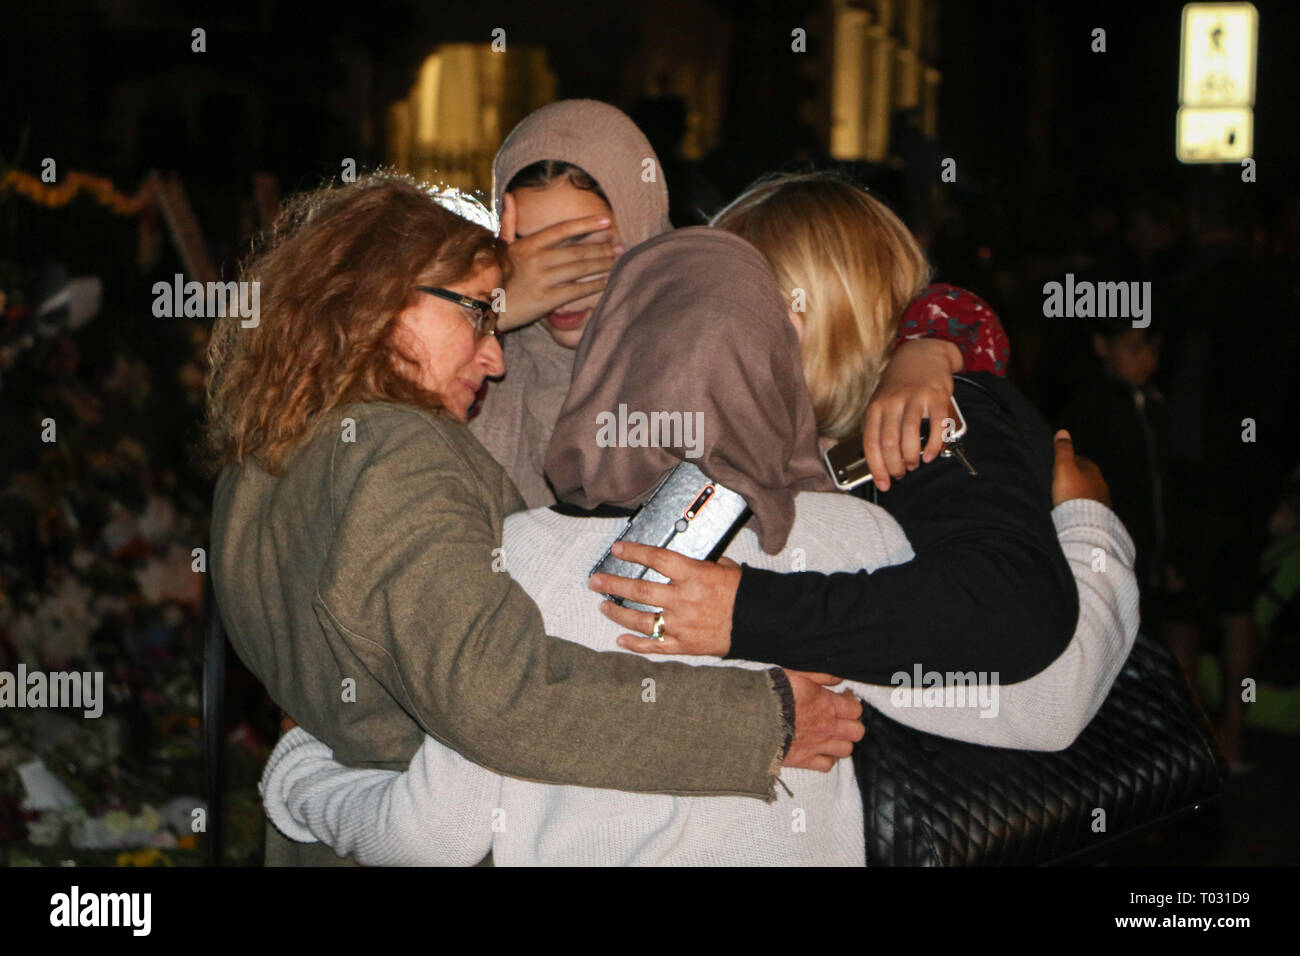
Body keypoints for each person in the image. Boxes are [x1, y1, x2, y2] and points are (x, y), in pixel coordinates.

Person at [258, 228, 1138, 864]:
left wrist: (298, 771)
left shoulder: (514, 557)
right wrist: (1088, 524)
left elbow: (432, 834)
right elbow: (1051, 702)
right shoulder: (846, 539)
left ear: (604, 363)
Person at [205, 174, 862, 866]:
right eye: (477, 315)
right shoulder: (398, 452)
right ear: (380, 301)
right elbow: (501, 696)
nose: (494, 357)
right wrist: (761, 721)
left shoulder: (253, 473)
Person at [598, 172, 1133, 717]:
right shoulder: (808, 429)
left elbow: (1009, 605)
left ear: (826, 308)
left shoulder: (926, 411)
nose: (715, 330)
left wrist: (746, 614)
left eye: (739, 304)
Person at [472, 99, 1012, 507]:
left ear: (640, 233)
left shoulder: (686, 330)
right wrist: (480, 313)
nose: (555, 277)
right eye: (527, 247)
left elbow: (909, 303)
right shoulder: (477, 363)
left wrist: (927, 349)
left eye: (582, 244)